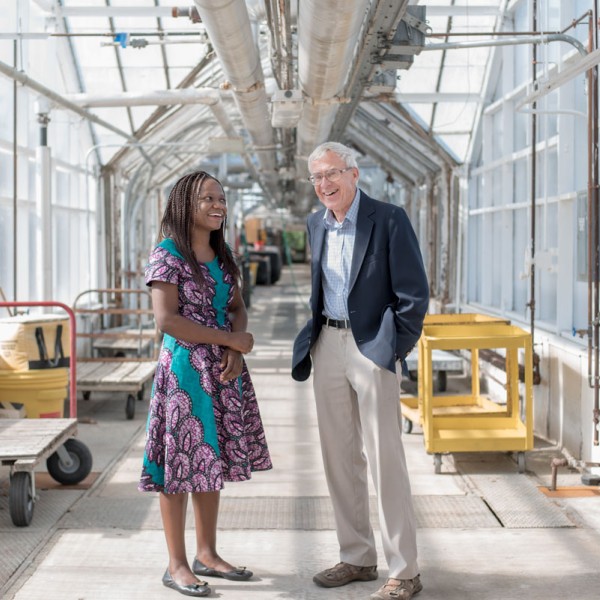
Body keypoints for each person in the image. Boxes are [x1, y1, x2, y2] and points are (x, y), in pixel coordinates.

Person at [291, 142, 429, 600]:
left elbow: (413, 293)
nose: (324, 185)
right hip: (327, 341)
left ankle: (404, 570)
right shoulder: (316, 225)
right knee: (339, 456)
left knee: (385, 456)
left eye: (331, 174)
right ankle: (357, 556)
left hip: (372, 348)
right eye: (316, 178)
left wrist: (392, 348)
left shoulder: (388, 219)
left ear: (354, 174)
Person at [139, 171, 272, 597]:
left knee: (208, 462)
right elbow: (168, 321)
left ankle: (207, 554)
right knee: (178, 466)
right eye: (207, 198)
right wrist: (229, 339)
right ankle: (176, 564)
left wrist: (235, 350)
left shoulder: (222, 254)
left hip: (222, 372)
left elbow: (236, 306)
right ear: (184, 204)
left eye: (222, 198)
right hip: (183, 374)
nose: (218, 205)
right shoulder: (167, 254)